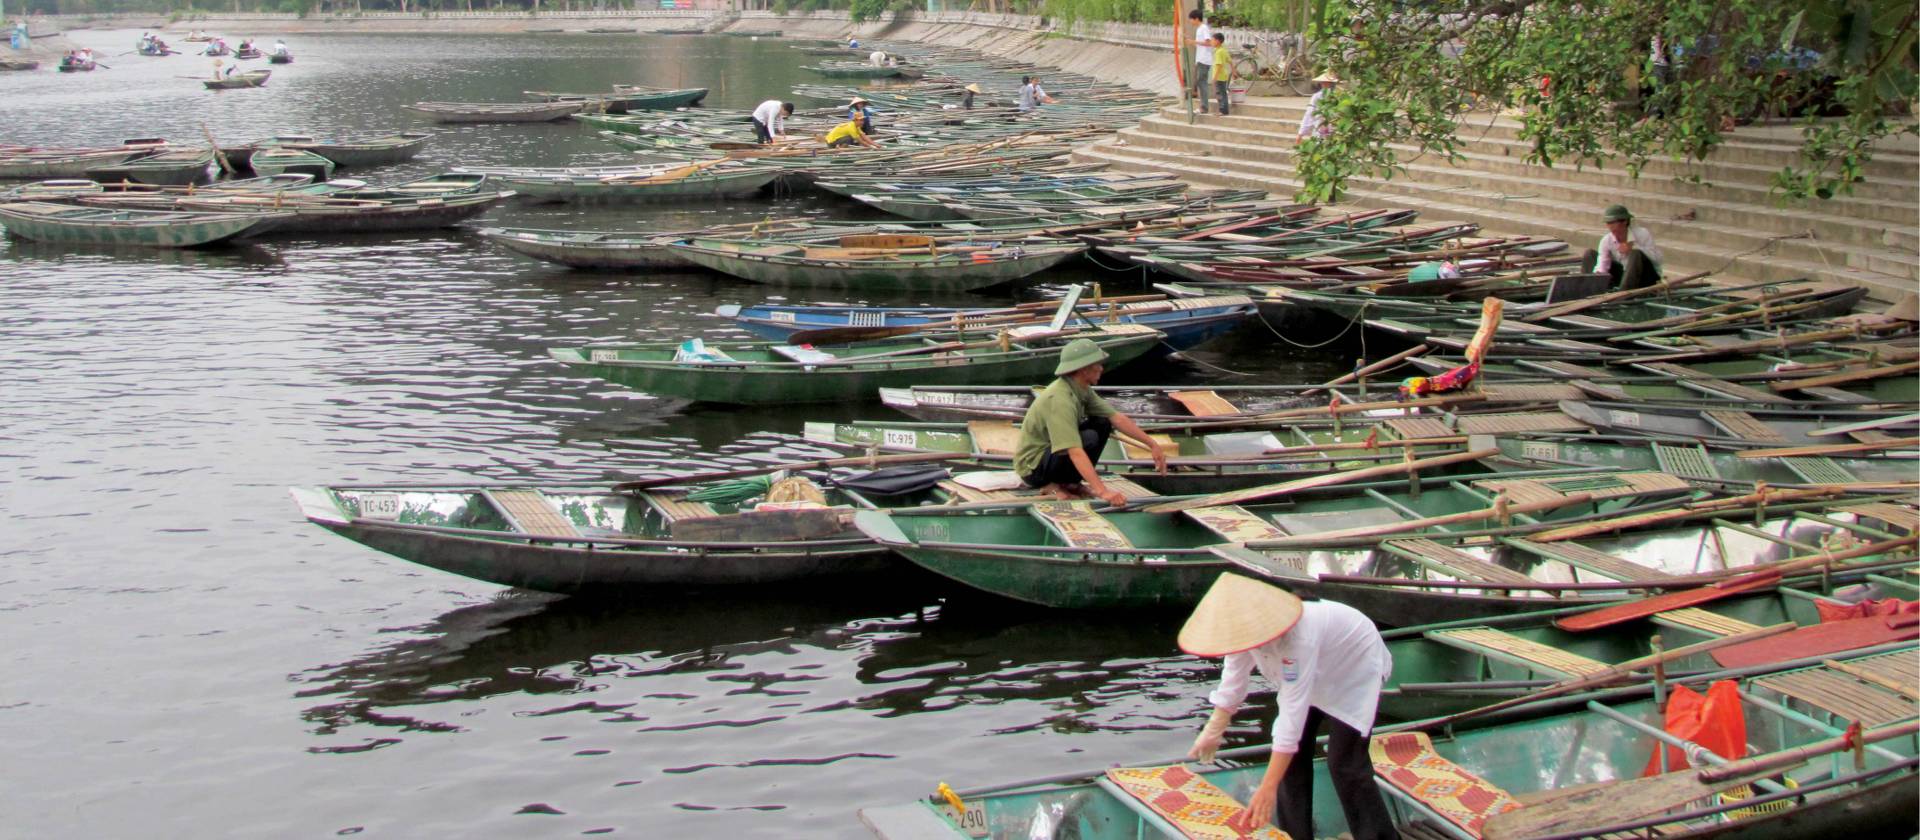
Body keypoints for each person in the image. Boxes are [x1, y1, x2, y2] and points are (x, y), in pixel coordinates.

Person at [1181, 574, 1395, 840]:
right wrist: (1214, 729)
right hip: (1316, 667)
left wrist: (1267, 788)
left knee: (1344, 763)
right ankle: (1295, 835)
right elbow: (1234, 680)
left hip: (1353, 666)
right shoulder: (1240, 632)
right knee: (1289, 759)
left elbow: (1292, 714)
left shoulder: (1298, 639)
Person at [1013, 338, 1167, 505]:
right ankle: (1052, 485)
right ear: (1084, 369)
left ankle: (1071, 483)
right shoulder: (1059, 399)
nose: (1101, 369)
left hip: (1051, 457)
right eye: (1097, 364)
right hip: (1033, 469)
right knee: (1087, 439)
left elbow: (1116, 417)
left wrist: (1152, 445)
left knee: (1102, 423)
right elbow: (1074, 451)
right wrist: (1103, 491)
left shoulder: (1081, 388)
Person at [1581, 204, 1664, 290]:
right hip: (1623, 276)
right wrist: (1598, 275)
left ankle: (1623, 293)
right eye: (1608, 223)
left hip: (1645, 278)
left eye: (1612, 222)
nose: (1610, 226)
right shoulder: (1606, 240)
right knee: (1589, 254)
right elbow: (1603, 263)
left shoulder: (1642, 234)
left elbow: (1658, 259)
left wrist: (1634, 247)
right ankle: (1589, 290)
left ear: (1624, 221)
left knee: (1636, 254)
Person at [1297, 71, 1338, 140]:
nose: (1324, 84)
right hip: (1320, 129)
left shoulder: (1336, 96)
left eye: (1326, 82)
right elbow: (1310, 114)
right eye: (1323, 82)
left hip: (1333, 129)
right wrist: (1301, 133)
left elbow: (1310, 114)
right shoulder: (1317, 96)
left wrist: (1301, 133)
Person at [1189, 10, 1214, 113]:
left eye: (1191, 19)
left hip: (1204, 60)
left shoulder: (1204, 28)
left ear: (1196, 18)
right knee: (1200, 82)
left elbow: (1208, 43)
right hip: (1200, 59)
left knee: (1201, 82)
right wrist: (1191, 42)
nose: (1190, 21)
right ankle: (1203, 106)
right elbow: (1200, 45)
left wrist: (1194, 41)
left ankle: (1204, 107)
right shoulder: (1199, 29)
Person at [1209, 33, 1233, 116]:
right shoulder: (1223, 50)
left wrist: (1214, 78)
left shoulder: (1219, 52)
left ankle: (1223, 111)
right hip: (1224, 75)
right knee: (1223, 93)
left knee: (1220, 94)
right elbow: (1230, 61)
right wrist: (1234, 71)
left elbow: (1219, 65)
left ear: (1218, 41)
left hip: (1219, 76)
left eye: (1213, 40)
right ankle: (1224, 110)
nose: (1211, 42)